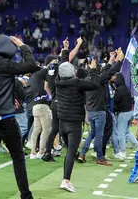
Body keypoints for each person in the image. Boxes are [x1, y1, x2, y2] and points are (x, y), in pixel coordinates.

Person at [0, 35, 40, 199]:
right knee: (18, 157)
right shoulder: (6, 64)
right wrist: (23, 46)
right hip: (6, 119)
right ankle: (26, 195)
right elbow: (32, 65)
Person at [56, 57, 99, 193]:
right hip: (74, 124)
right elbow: (94, 84)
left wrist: (65, 52)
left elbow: (61, 67)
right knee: (71, 153)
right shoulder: (77, 82)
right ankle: (65, 180)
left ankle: (66, 179)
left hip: (62, 123)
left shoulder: (57, 81)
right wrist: (93, 70)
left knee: (70, 153)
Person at [113, 72, 138, 160]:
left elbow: (116, 102)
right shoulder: (126, 88)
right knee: (126, 131)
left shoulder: (119, 90)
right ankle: (137, 145)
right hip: (130, 112)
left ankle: (122, 152)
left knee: (121, 134)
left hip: (123, 113)